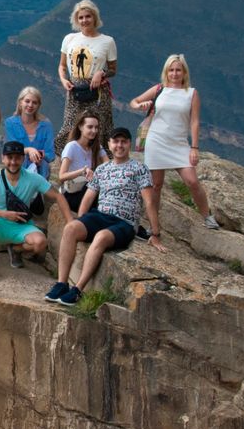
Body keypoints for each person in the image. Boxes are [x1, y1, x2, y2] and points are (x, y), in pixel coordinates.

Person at [45, 127, 163, 307]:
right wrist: (82, 221)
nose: (119, 145)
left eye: (124, 141)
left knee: (101, 237)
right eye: (116, 141)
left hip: (124, 222)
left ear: (129, 144)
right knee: (71, 228)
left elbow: (149, 202)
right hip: (100, 215)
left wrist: (155, 233)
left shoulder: (139, 169)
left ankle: (77, 290)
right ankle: (61, 284)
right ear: (109, 145)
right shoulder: (102, 169)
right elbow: (88, 197)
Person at [129, 53, 219, 230]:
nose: (175, 73)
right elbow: (134, 101)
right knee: (156, 185)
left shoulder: (191, 94)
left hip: (179, 143)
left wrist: (194, 147)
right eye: (171, 70)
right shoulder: (159, 89)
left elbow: (194, 121)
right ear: (166, 72)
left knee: (192, 181)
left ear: (184, 72)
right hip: (156, 140)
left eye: (178, 70)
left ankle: (207, 216)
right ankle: (154, 224)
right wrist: (140, 106)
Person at [0, 141, 72, 284]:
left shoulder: (32, 178)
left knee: (40, 243)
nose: (13, 162)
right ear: (3, 158)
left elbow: (58, 196)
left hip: (21, 226)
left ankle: (16, 250)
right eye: (9, 157)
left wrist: (70, 221)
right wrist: (4, 214)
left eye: (17, 158)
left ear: (23, 159)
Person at [55, 0, 117, 153]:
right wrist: (64, 80)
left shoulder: (107, 41)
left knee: (99, 127)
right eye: (81, 17)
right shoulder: (69, 39)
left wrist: (101, 73)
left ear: (95, 17)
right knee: (71, 126)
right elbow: (62, 65)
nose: (84, 20)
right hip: (75, 88)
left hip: (97, 91)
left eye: (87, 16)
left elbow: (113, 69)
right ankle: (67, 163)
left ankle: (99, 165)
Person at [56, 112, 106, 215]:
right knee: (93, 186)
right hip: (72, 193)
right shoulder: (72, 146)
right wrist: (82, 171)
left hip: (87, 191)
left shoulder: (96, 147)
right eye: (90, 127)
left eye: (96, 127)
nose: (94, 131)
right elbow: (61, 176)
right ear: (80, 127)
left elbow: (108, 164)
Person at [1, 86, 56, 178]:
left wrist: (37, 155)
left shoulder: (46, 125)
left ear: (38, 105)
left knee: (43, 165)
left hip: (40, 169)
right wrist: (29, 150)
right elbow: (11, 149)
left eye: (34, 102)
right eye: (27, 101)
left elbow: (50, 154)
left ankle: (39, 191)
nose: (30, 105)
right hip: (17, 167)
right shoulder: (10, 123)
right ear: (20, 102)